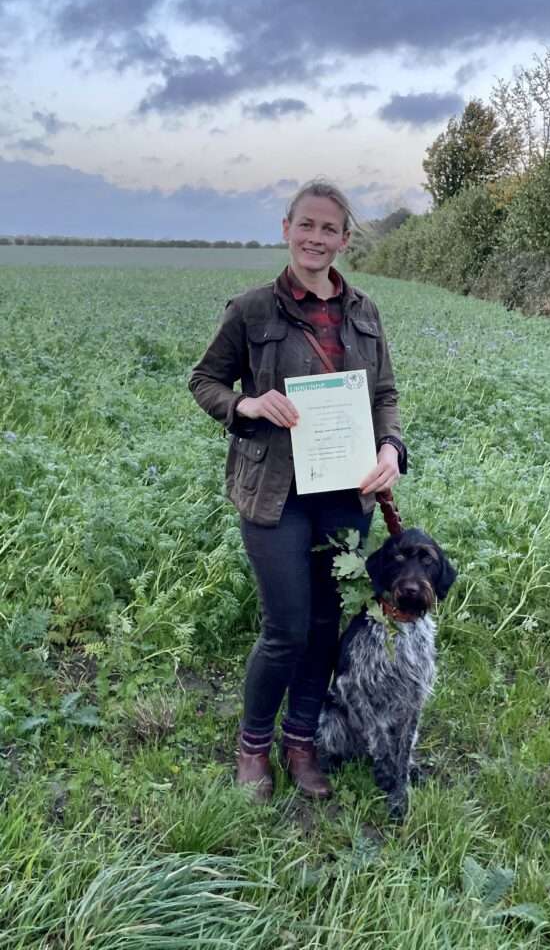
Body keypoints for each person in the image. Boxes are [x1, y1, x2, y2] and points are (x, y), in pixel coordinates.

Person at [189, 179, 406, 803]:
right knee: (285, 627)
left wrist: (391, 448)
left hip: (345, 494)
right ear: (286, 228)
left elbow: (384, 395)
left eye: (329, 229)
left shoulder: (364, 312)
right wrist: (247, 403)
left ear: (344, 239)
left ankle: (302, 739)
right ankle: (253, 746)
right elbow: (204, 382)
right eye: (305, 225)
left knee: (324, 623)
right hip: (273, 495)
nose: (316, 238)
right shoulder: (252, 310)